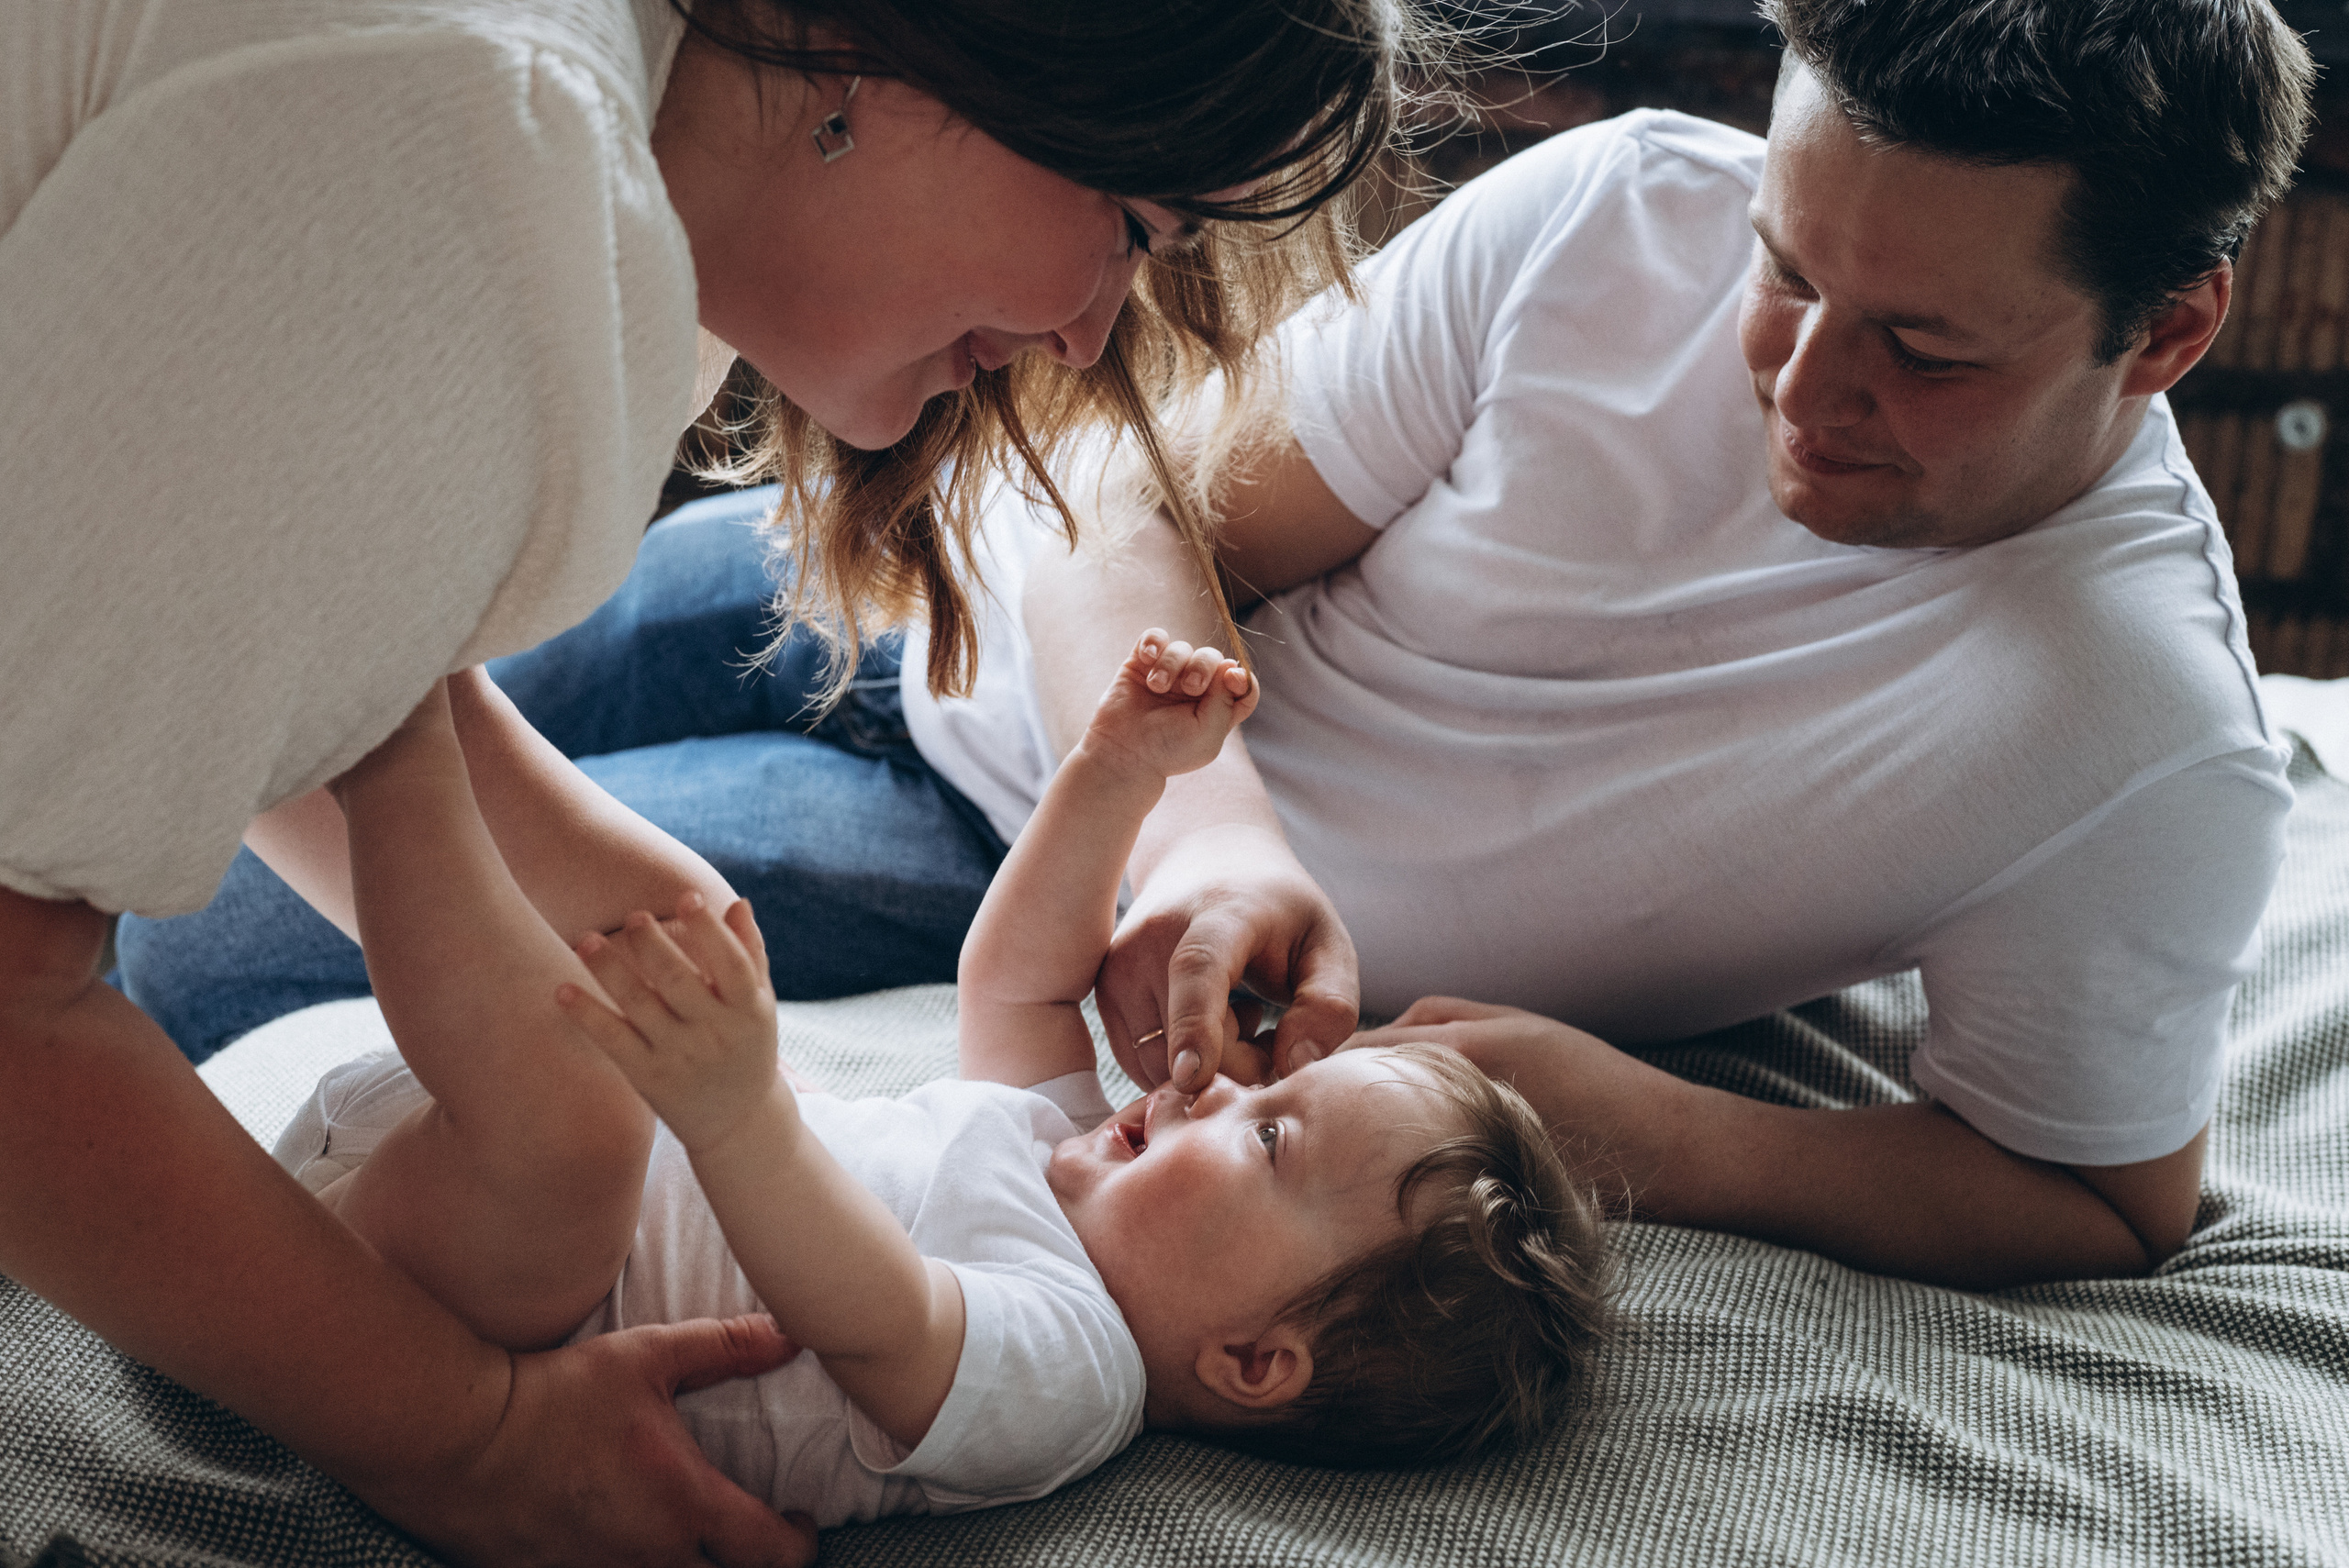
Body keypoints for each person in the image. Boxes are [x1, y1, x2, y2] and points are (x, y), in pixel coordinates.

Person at [143, 0, 2322, 1300]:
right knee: (253, 647)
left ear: (2166, 336)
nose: (1792, 382)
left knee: (199, 946)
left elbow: (2098, 1196)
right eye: (1784, 272)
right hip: (911, 599)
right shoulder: (1624, 214)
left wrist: (1642, 1124)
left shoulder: (2130, 738)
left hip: (958, 880)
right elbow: (1106, 475)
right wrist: (1204, 822)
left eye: (1918, 348)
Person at [0, 0, 1442, 1559]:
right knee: (573, 1091)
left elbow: (278, 598)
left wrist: (423, 748)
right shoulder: (493, 161)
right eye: (1130, 227)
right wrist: (464, 1430)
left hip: (487, 1169)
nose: (1096, 332)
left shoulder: (612, 219)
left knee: (663, 933)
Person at [273, 636, 1609, 1526]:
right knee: (687, 920)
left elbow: (876, 1313)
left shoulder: (1071, 1379)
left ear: (1254, 1358)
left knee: (589, 1120)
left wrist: (740, 1110)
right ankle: (350, 666)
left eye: (1266, 1141)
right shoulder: (1069, 1148)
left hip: (493, 1297)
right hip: (486, 1155)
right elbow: (1013, 984)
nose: (1213, 1092)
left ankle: (395, 750)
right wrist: (1114, 776)